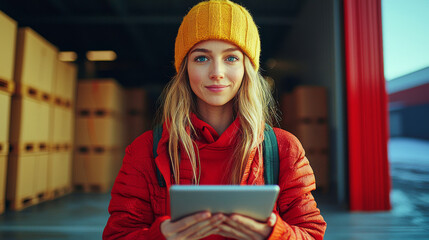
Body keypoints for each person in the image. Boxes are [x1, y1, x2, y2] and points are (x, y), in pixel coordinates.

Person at [103, 0, 327, 239]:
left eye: (231, 58)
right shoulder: (144, 151)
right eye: (201, 58)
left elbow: (311, 234)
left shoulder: (283, 149)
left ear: (246, 69)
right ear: (185, 68)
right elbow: (118, 235)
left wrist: (273, 234)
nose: (217, 72)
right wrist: (162, 235)